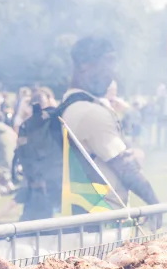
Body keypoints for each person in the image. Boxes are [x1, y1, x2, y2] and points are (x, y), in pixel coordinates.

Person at [59, 37, 158, 207]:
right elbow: (126, 168)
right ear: (84, 65)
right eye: (108, 63)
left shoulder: (69, 105)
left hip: (85, 218)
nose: (113, 73)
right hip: (102, 221)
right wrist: (154, 203)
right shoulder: (90, 112)